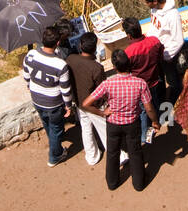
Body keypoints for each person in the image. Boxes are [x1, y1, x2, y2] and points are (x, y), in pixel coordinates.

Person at [81, 48, 161, 191]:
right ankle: (139, 183)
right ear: (129, 64)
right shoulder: (140, 83)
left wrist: (102, 113)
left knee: (112, 152)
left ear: (114, 67)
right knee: (135, 152)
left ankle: (112, 183)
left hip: (113, 124)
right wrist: (154, 121)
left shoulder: (108, 84)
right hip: (132, 123)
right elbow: (149, 108)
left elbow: (86, 103)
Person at [21, 25, 74, 167]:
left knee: (46, 123)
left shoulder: (30, 55)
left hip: (36, 99)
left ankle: (54, 143)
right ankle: (54, 156)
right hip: (54, 103)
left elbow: (26, 75)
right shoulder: (60, 64)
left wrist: (30, 86)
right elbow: (65, 89)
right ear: (57, 43)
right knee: (56, 128)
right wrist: (68, 106)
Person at [65, 32, 109, 165]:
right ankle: (119, 156)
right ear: (94, 49)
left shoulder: (71, 59)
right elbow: (102, 89)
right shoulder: (96, 67)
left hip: (79, 102)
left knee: (86, 129)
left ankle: (92, 156)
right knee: (104, 130)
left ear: (80, 46)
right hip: (94, 105)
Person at [120, 18, 164, 146]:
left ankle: (144, 135)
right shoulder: (154, 41)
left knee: (144, 110)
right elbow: (161, 55)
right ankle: (156, 122)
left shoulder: (129, 52)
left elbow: (126, 71)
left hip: (139, 87)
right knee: (154, 103)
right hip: (154, 81)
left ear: (128, 35)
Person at [144, 0, 185, 103]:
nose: (146, 4)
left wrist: (167, 56)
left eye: (148, 2)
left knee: (172, 79)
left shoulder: (173, 15)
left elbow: (178, 40)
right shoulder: (154, 8)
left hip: (167, 54)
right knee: (159, 78)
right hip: (156, 51)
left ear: (155, 1)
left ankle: (176, 100)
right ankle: (162, 98)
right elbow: (154, 26)